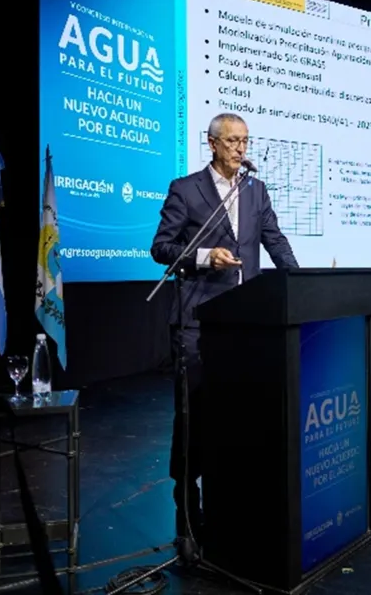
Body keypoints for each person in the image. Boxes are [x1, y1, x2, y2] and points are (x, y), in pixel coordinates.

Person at [150, 113, 299, 541]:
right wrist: (204, 256)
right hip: (198, 321)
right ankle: (186, 490)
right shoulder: (185, 189)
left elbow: (274, 240)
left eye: (245, 142)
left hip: (246, 319)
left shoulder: (255, 190)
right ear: (211, 144)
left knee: (241, 407)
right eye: (232, 141)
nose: (240, 149)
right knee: (195, 409)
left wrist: (301, 281)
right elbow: (161, 248)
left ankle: (234, 487)